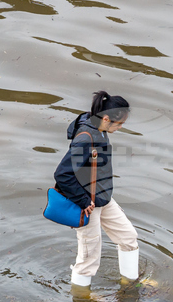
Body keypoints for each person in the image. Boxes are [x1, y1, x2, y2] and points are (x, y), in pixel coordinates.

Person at [53, 90, 139, 288]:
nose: (121, 127)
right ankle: (83, 301)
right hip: (87, 203)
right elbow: (62, 174)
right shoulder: (86, 138)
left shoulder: (98, 127)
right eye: (120, 124)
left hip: (102, 196)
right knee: (88, 259)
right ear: (107, 118)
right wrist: (84, 202)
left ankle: (131, 284)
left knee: (128, 238)